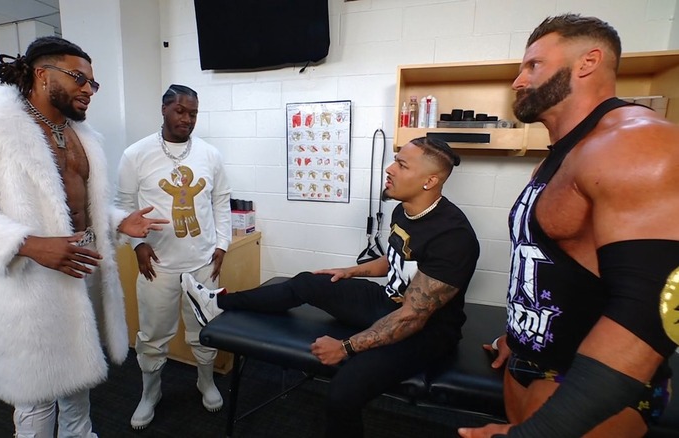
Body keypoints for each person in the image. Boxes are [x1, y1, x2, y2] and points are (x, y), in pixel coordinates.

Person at [0, 36, 167, 438]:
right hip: (26, 286)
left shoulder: (83, 136)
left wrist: (119, 222)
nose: (88, 89)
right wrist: (28, 244)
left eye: (92, 83)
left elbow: (76, 204)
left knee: (78, 379)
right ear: (41, 74)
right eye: (78, 78)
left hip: (80, 267)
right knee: (35, 399)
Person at [458, 14, 679, 438]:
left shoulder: (638, 141)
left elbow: (651, 313)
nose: (518, 82)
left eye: (533, 65)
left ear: (588, 62)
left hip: (588, 391)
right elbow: (555, 263)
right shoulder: (561, 154)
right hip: (526, 367)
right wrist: (520, 333)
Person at [184, 137, 479, 438]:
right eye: (395, 160)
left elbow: (411, 317)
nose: (389, 169)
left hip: (426, 330)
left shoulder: (453, 237)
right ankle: (218, 304)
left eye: (401, 164)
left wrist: (345, 347)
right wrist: (350, 271)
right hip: (391, 302)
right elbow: (397, 258)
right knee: (308, 282)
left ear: (430, 180)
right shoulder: (403, 209)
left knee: (342, 394)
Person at [115, 84, 232, 429]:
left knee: (205, 328)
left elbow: (221, 201)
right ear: (164, 109)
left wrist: (222, 244)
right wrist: (136, 245)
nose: (187, 119)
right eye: (180, 111)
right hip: (158, 266)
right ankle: (150, 393)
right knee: (152, 336)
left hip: (203, 263)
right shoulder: (135, 155)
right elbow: (122, 209)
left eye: (193, 113)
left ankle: (205, 380)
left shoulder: (210, 154)